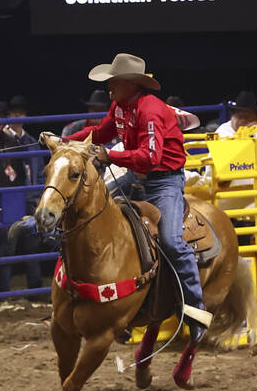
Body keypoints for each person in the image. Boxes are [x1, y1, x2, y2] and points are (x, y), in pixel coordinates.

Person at [65, 52, 209, 342]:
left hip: (164, 181)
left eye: (114, 81)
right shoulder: (120, 105)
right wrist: (70, 140)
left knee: (171, 241)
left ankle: (196, 311)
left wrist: (111, 155)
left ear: (131, 83)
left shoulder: (150, 110)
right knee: (95, 213)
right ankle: (121, 306)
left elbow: (151, 157)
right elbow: (101, 131)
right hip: (136, 174)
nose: (109, 87)